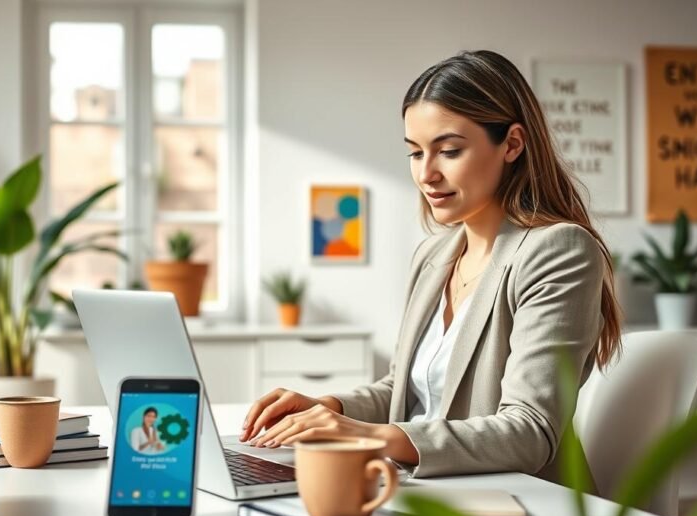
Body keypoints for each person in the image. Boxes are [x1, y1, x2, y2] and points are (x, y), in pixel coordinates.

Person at [239, 50, 622, 478]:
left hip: (517, 504)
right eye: (415, 153)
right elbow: (403, 391)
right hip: (418, 489)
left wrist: (364, 436)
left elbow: (530, 432)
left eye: (449, 151)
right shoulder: (433, 256)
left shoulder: (557, 251)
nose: (426, 174)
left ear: (512, 144)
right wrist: (330, 408)